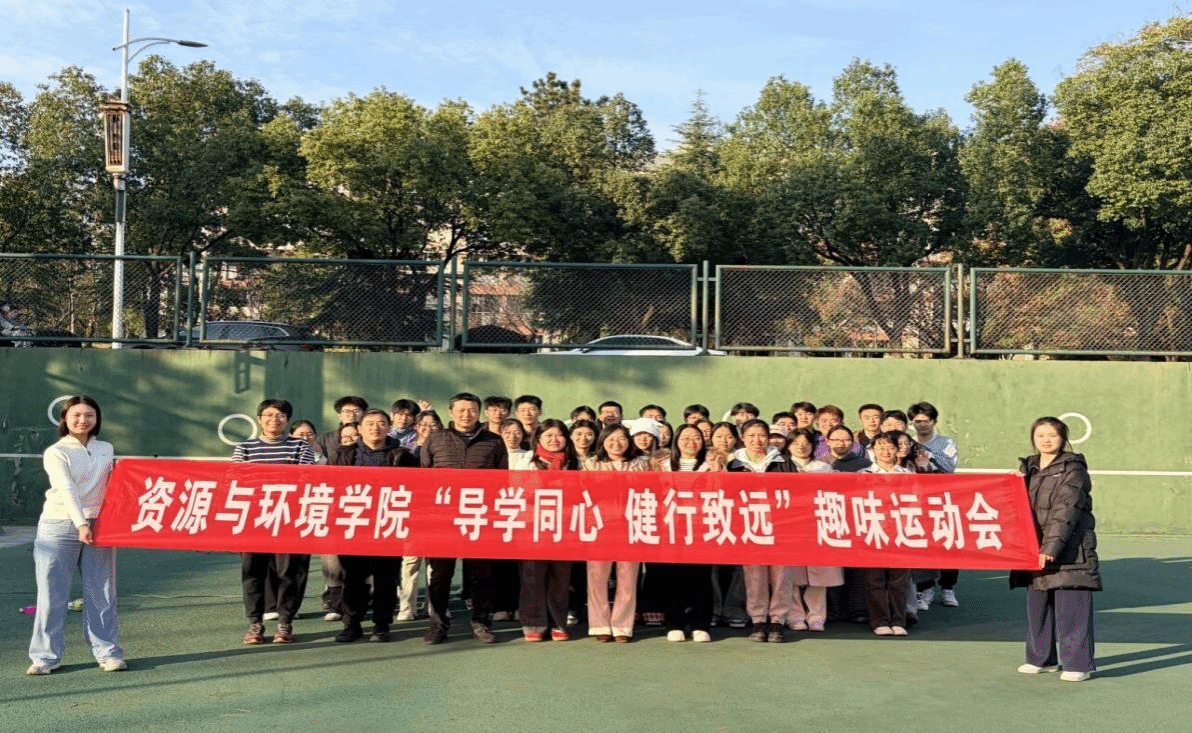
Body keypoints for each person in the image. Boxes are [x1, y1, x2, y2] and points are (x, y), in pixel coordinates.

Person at [27, 396, 125, 675]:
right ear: (65, 419)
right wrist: (82, 524)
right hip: (59, 525)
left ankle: (108, 653)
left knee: (101, 591)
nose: (83, 420)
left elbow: (112, 484)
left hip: (100, 525)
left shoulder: (106, 448)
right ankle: (45, 657)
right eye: (76, 415)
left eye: (89, 415)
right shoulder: (56, 452)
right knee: (52, 593)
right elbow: (67, 488)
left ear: (97, 419)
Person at [1011, 417, 1100, 682]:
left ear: (1063, 438)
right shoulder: (1029, 468)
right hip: (1034, 548)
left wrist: (1051, 547)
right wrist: (1015, 484)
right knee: (1038, 607)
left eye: (1052, 435)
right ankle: (1041, 659)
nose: (1046, 440)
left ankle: (1078, 664)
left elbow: (1066, 510)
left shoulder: (1073, 470)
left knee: (1072, 608)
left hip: (1071, 551)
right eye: (1040, 435)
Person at [422, 393, 509, 645]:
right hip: (442, 518)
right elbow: (423, 476)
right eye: (460, 410)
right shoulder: (436, 439)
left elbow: (502, 479)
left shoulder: (493, 440)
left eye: (472, 410)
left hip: (479, 517)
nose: (466, 415)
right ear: (450, 413)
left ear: (479, 413)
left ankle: (481, 622)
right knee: (439, 576)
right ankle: (438, 624)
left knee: (482, 576)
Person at [327, 409, 418, 642]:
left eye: (381, 423)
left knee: (386, 578)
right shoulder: (343, 455)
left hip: (388, 524)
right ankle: (352, 624)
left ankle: (381, 625)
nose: (375, 428)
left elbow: (416, 489)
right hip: (353, 524)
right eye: (369, 423)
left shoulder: (403, 456)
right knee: (353, 578)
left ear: (389, 427)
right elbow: (330, 486)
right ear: (359, 428)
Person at [233, 399, 317, 645]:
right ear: (259, 419)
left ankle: (285, 623)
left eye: (280, 415)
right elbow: (237, 480)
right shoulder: (244, 447)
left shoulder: (300, 446)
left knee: (288, 572)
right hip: (253, 520)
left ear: (287, 420)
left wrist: (267, 481)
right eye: (268, 415)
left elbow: (306, 479)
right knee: (252, 573)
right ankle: (255, 624)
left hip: (289, 519)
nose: (274, 419)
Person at [726, 419, 796, 643]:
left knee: (782, 574)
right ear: (742, 438)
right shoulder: (734, 464)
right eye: (751, 435)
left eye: (762, 435)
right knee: (754, 575)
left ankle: (777, 620)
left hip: (780, 526)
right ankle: (758, 620)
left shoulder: (783, 461)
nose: (757, 440)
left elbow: (797, 491)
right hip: (749, 525)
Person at [583, 423, 649, 642]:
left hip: (631, 525)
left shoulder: (642, 464)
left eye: (621, 439)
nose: (616, 444)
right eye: (610, 439)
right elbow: (584, 493)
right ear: (602, 442)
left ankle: (622, 626)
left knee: (628, 576)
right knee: (597, 576)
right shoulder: (591, 464)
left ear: (629, 441)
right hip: (599, 526)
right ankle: (599, 625)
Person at [518, 420, 579, 642]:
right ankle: (534, 624)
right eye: (548, 436)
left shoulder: (575, 463)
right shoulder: (527, 461)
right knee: (532, 577)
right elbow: (518, 491)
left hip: (565, 528)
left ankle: (558, 623)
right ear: (538, 439)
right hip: (533, 527)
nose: (554, 440)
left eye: (559, 435)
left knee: (560, 578)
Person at [656, 424, 714, 643]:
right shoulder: (661, 466)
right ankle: (674, 623)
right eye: (685, 438)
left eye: (696, 437)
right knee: (672, 577)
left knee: (701, 577)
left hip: (702, 528)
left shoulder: (712, 464)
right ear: (676, 441)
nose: (691, 442)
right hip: (671, 528)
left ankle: (700, 623)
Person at [783, 428, 840, 632]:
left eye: (806, 443)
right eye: (796, 443)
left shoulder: (824, 468)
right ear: (788, 446)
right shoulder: (781, 467)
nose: (801, 446)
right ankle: (795, 616)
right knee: (791, 574)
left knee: (818, 574)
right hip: (789, 525)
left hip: (817, 524)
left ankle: (816, 617)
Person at [908, 401, 962, 609]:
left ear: (934, 421)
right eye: (918, 421)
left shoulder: (947, 442)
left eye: (926, 421)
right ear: (912, 423)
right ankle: (926, 589)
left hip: (943, 499)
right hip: (917, 501)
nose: (922, 425)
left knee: (947, 542)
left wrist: (927, 453)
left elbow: (948, 467)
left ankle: (948, 588)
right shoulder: (907, 443)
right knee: (922, 545)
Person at [861, 432, 912, 637]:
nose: (885, 451)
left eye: (890, 447)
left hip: (901, 532)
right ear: (872, 450)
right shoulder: (863, 474)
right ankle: (879, 620)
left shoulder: (907, 475)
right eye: (880, 447)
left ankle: (899, 620)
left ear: (897, 450)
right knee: (875, 580)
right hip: (873, 532)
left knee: (898, 581)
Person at [397, 409, 443, 621]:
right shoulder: (405, 453)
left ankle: (435, 606)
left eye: (433, 425)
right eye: (423, 425)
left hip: (439, 511)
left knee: (435, 564)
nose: (428, 429)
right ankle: (407, 607)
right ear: (415, 427)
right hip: (412, 512)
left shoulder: (445, 451)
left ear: (440, 427)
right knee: (410, 562)